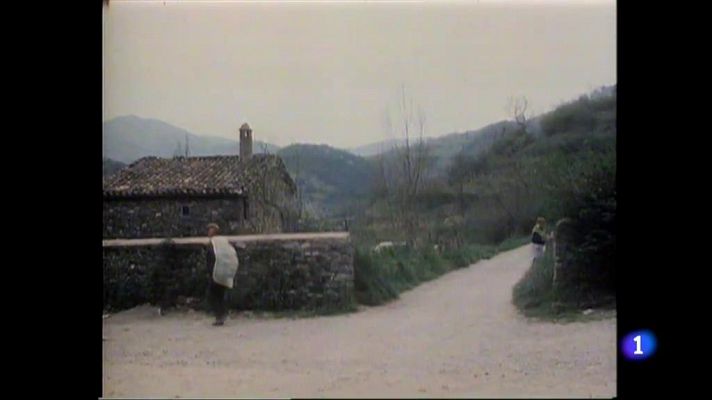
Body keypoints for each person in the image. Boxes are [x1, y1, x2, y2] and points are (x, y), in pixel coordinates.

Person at [206, 223, 228, 326]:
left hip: (217, 272)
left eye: (211, 230)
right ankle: (221, 315)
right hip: (216, 272)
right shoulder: (216, 243)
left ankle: (220, 316)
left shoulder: (216, 243)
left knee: (215, 295)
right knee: (218, 295)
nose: (209, 231)